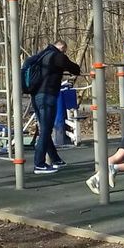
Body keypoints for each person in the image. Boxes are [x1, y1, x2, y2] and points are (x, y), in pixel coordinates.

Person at [29, 40, 82, 174]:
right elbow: (75, 69)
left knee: (45, 129)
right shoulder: (57, 56)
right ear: (62, 48)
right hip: (47, 96)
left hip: (36, 96)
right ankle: (39, 164)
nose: (64, 53)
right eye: (64, 51)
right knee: (46, 130)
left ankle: (55, 159)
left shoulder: (41, 55)